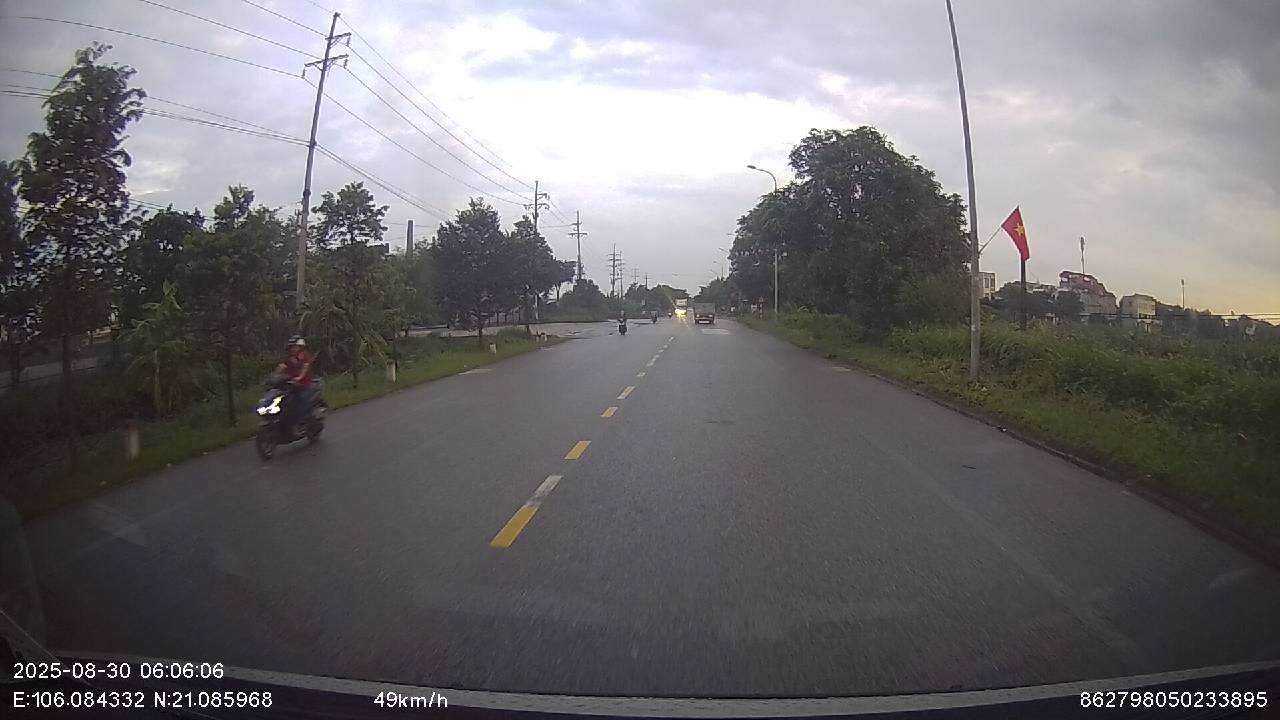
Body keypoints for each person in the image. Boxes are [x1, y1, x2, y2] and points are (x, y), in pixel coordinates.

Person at [275, 335, 315, 437]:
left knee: (300, 400)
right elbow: (282, 366)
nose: (292, 349)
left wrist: (299, 378)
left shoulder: (305, 356)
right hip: (291, 385)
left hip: (304, 385)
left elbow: (305, 368)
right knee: (284, 401)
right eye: (291, 347)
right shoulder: (289, 357)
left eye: (295, 346)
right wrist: (274, 376)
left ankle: (301, 423)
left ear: (300, 347)